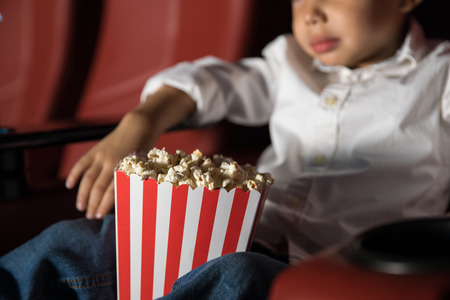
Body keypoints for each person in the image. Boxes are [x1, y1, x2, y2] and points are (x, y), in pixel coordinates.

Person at [1, 0, 447, 298]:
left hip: (327, 269)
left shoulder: (440, 77)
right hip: (228, 236)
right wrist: (143, 120)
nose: (310, 14)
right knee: (75, 241)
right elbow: (216, 83)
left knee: (236, 275)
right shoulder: (286, 61)